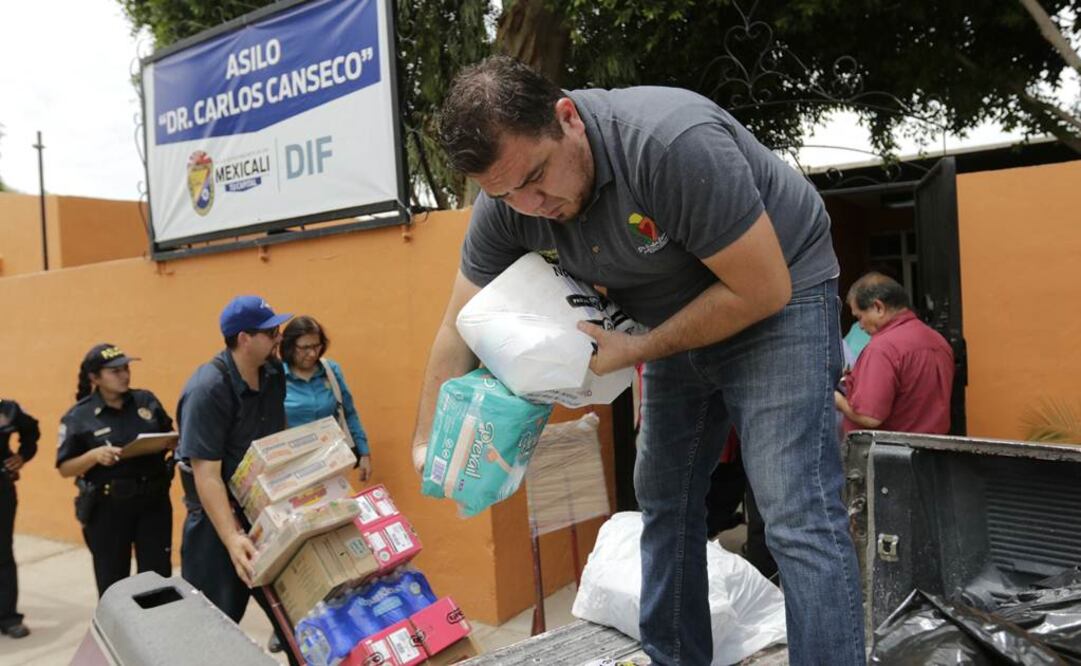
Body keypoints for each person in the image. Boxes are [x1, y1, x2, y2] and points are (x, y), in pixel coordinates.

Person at [412, 56, 865, 665]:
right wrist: (431, 442)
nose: (532, 203)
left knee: (794, 509)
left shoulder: (667, 144)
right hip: (671, 316)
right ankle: (674, 657)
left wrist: (641, 349)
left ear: (566, 117)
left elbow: (762, 290)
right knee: (662, 494)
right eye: (507, 193)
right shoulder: (511, 203)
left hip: (779, 296)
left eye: (538, 176)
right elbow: (455, 325)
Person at [175, 295, 298, 663]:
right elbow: (206, 475)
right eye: (270, 331)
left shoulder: (273, 374)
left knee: (294, 617)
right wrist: (232, 538)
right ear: (244, 338)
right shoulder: (207, 389)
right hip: (217, 522)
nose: (278, 337)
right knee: (210, 624)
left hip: (264, 509)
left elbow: (277, 440)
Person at [56, 344, 174, 597]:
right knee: (113, 583)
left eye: (125, 368)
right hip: (109, 509)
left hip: (153, 503)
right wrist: (93, 456)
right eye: (114, 371)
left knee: (157, 577)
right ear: (94, 378)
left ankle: (157, 632)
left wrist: (170, 441)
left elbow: (170, 433)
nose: (124, 375)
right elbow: (65, 468)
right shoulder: (79, 416)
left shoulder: (146, 400)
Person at [835, 272, 955, 435]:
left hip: (891, 453)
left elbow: (869, 417)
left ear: (878, 307)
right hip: (934, 450)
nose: (860, 326)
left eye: (860, 317)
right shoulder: (938, 340)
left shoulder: (882, 348)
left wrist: (837, 400)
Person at [280, 316, 371, 481]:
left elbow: (349, 412)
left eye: (316, 346)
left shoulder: (331, 371)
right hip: (292, 469)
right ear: (290, 347)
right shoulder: (276, 377)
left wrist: (364, 452)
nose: (312, 353)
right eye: (305, 347)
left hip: (331, 463)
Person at [0, 399, 38, 639]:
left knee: (2, 552)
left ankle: (8, 617)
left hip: (1, 491)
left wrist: (22, 456)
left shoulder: (8, 410)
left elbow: (31, 431)